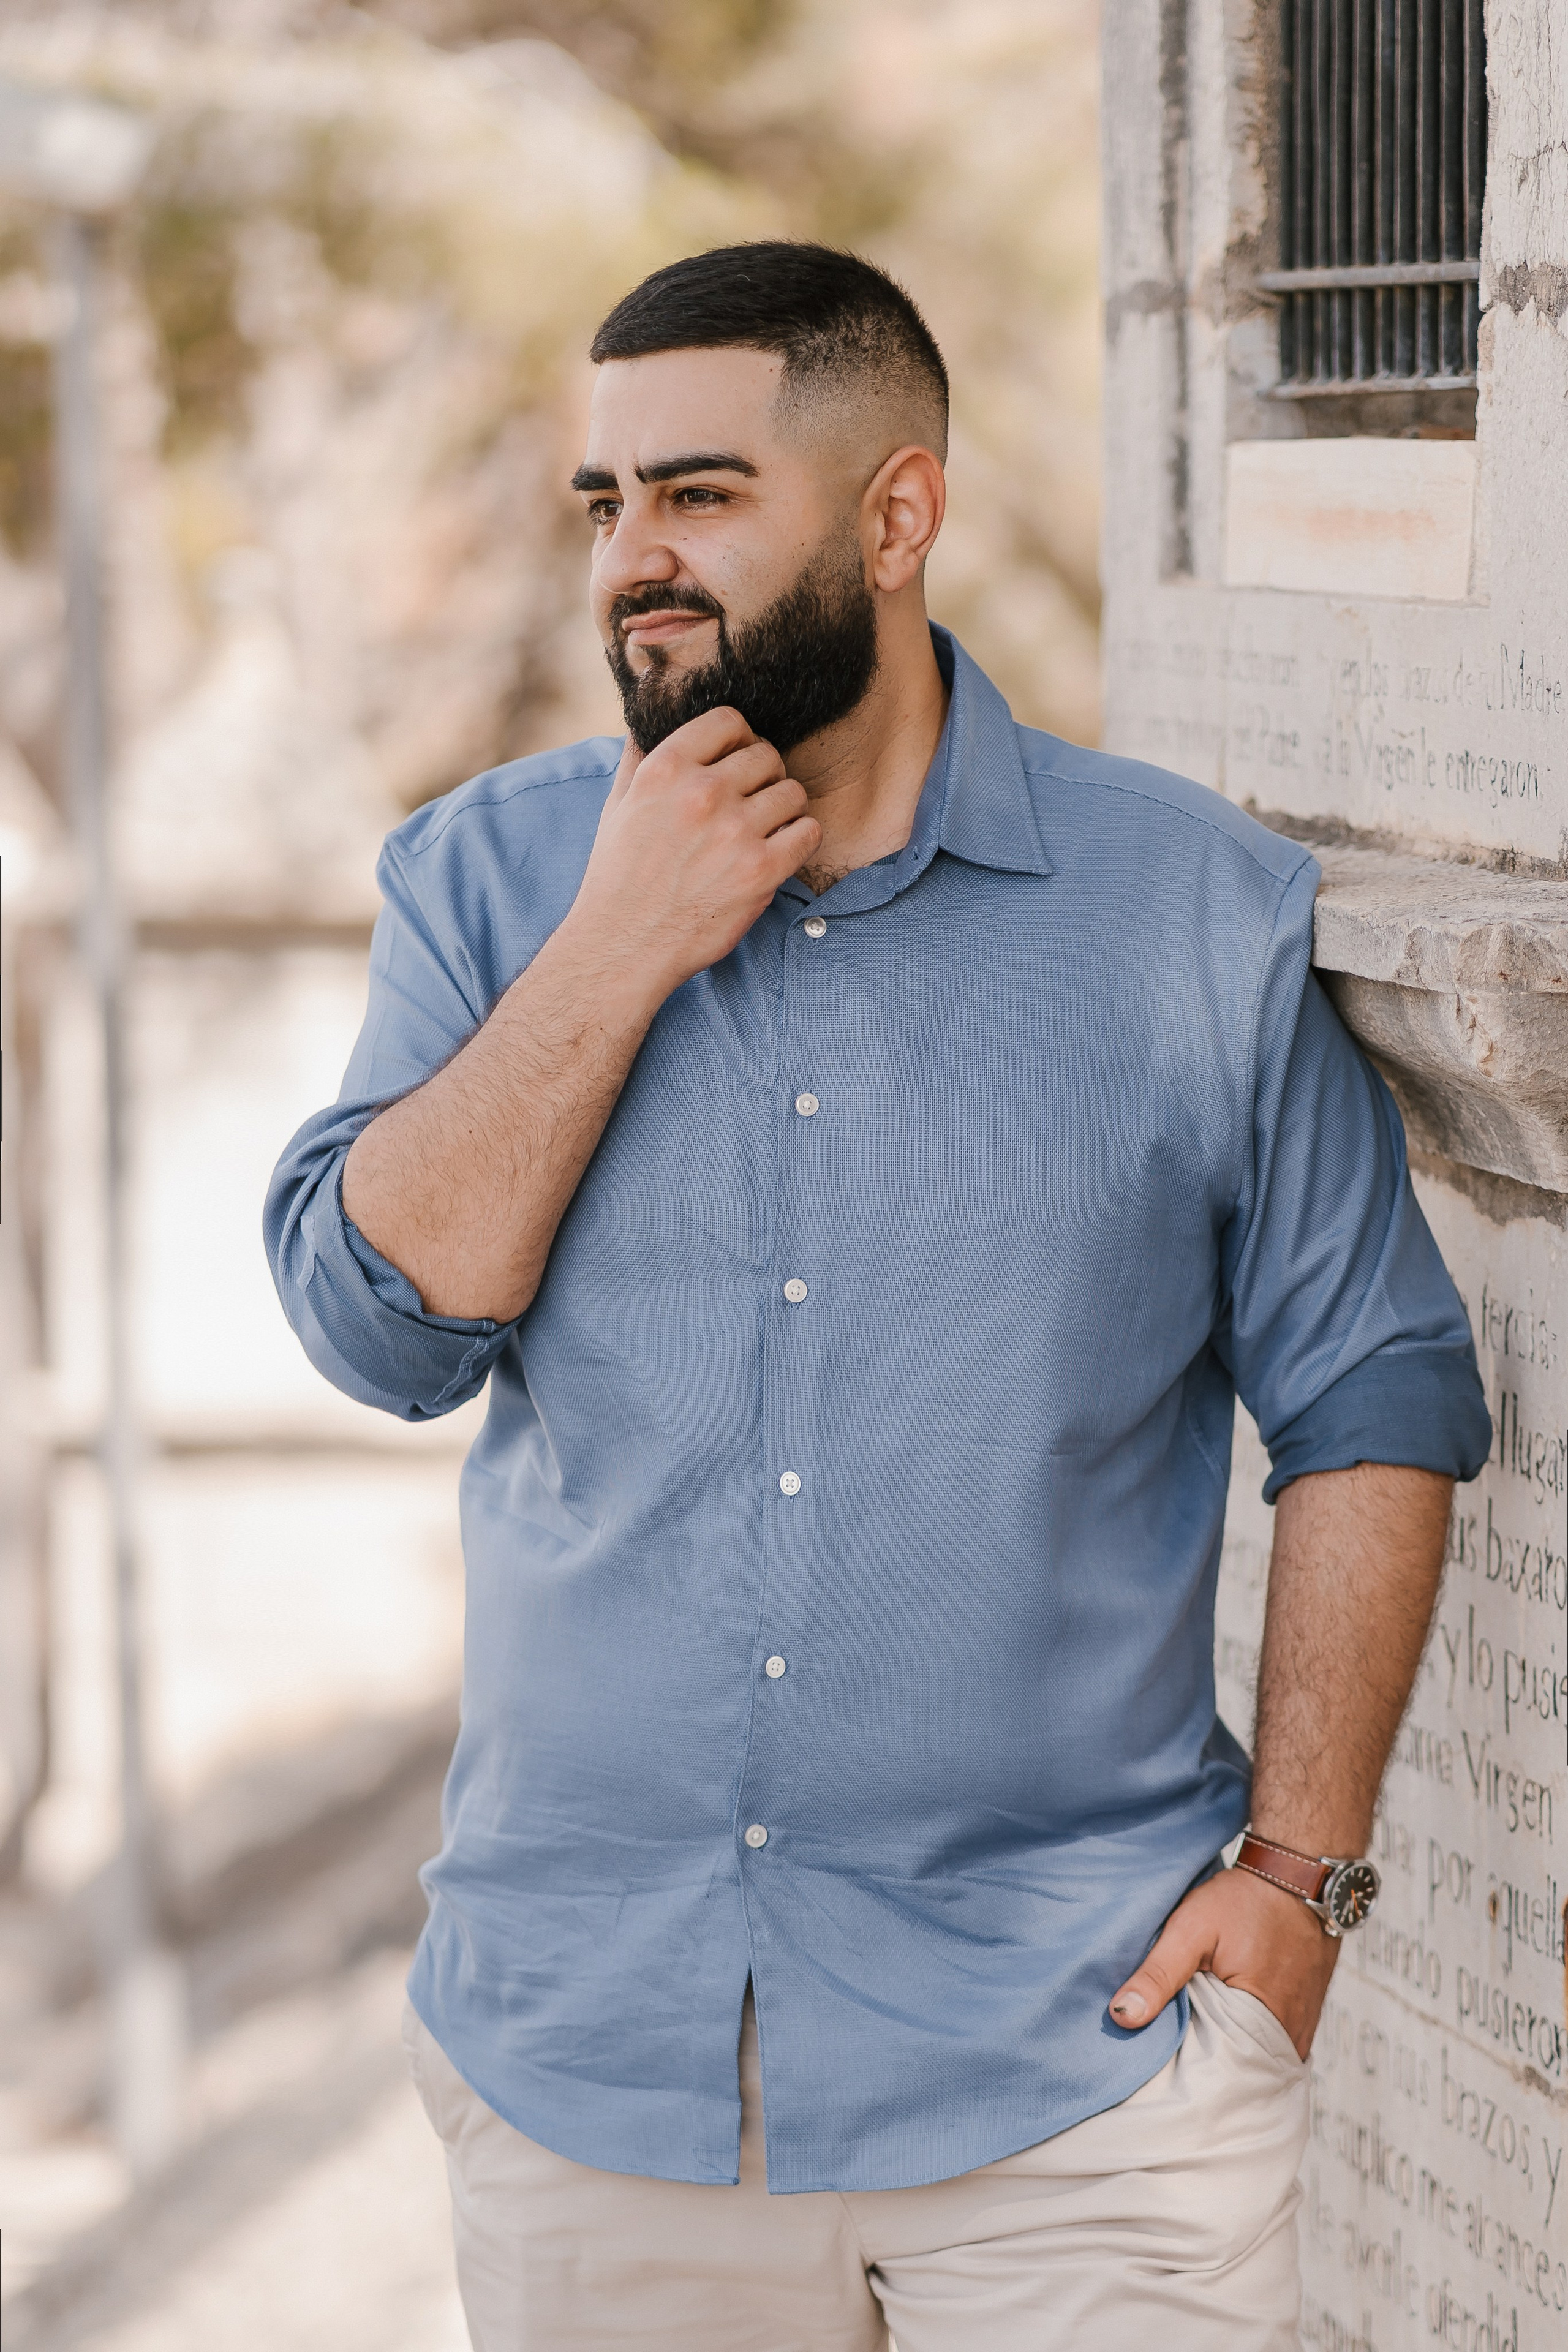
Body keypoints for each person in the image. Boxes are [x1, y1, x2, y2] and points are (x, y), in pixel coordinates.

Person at [265, 243, 1490, 2350]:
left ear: (898, 514)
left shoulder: (1189, 913)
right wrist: (616, 946)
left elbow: (1376, 1390)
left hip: (1088, 2080)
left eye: (702, 495)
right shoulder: (488, 884)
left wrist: (1297, 1883)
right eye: (606, 502)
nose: (634, 560)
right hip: (595, 2079)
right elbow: (382, 1328)